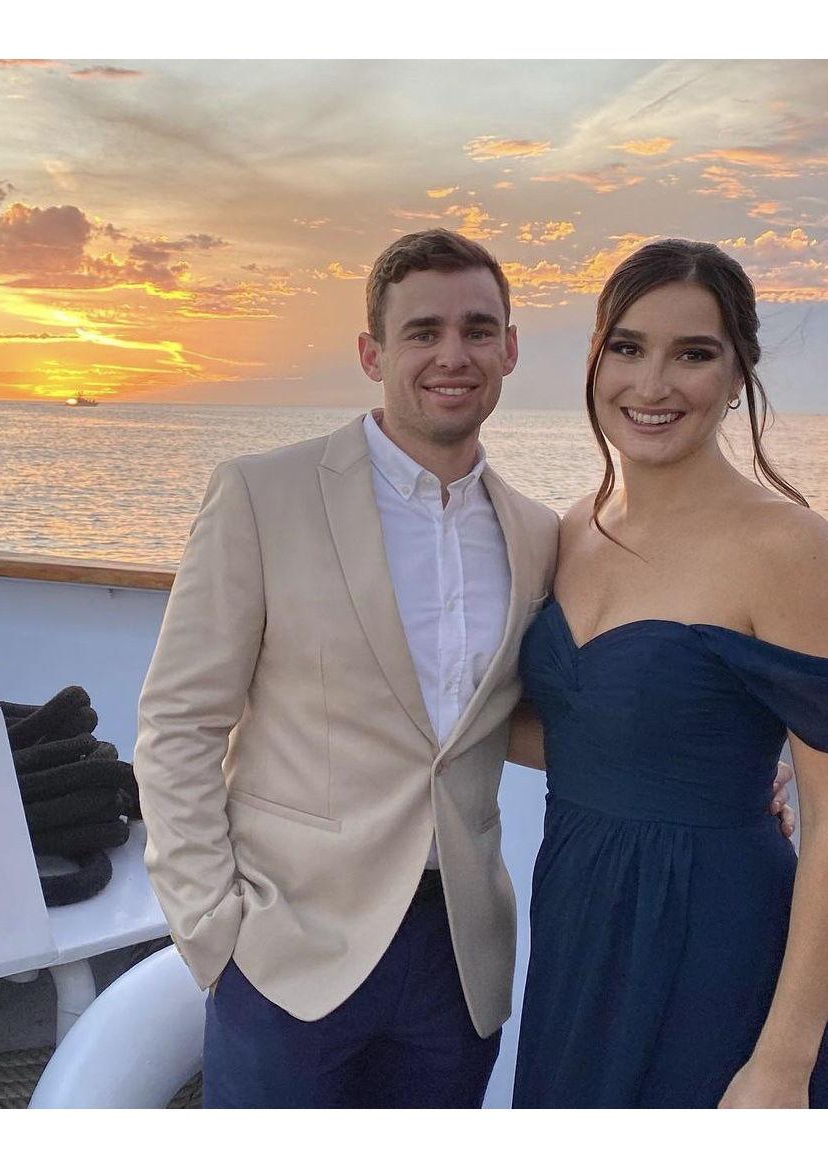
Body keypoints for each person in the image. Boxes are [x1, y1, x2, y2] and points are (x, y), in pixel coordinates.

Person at [134, 229, 793, 1109]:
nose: (454, 355)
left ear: (510, 349)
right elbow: (179, 723)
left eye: (478, 331)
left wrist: (724, 763)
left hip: (460, 962)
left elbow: (533, 713)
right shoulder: (262, 495)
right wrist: (212, 930)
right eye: (423, 332)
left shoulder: (538, 533)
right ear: (372, 353)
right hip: (290, 954)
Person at [510, 239, 828, 1108]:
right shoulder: (570, 530)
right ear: (595, 356)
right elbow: (584, 735)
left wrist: (784, 1061)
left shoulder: (788, 548)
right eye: (628, 347)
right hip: (578, 923)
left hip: (715, 938)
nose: (652, 385)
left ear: (737, 376)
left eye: (693, 354)